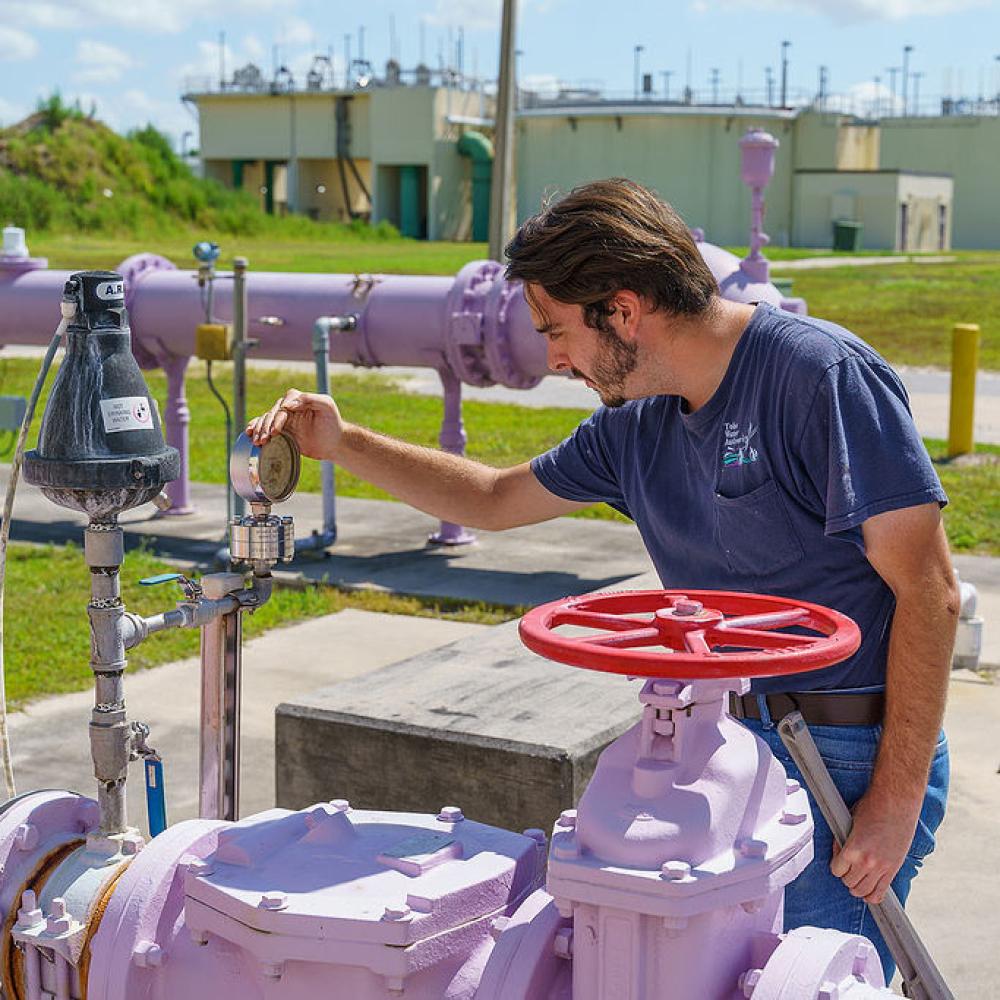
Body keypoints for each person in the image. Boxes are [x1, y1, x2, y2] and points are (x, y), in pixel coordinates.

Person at [247, 178, 956, 978]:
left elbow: (930, 592)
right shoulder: (635, 424)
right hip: (723, 742)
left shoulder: (818, 378)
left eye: (557, 330)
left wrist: (892, 804)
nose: (552, 358)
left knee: (796, 981)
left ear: (622, 310)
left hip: (846, 751)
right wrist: (345, 442)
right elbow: (491, 497)